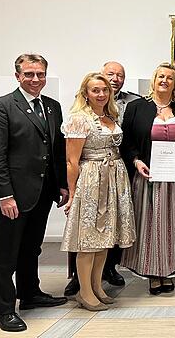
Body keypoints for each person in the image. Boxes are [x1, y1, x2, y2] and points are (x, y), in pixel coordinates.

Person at [0, 54, 68, 333]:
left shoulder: (52, 106)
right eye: (29, 74)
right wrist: (4, 196)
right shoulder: (2, 107)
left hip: (43, 192)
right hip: (14, 195)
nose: (35, 79)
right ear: (17, 76)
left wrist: (62, 184)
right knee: (5, 254)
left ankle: (30, 294)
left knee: (31, 248)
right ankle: (3, 310)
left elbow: (56, 149)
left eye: (40, 74)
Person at [60, 72, 136, 311]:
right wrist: (72, 195)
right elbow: (72, 161)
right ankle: (84, 292)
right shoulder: (79, 119)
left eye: (105, 90)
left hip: (113, 178)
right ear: (86, 93)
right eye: (95, 90)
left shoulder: (110, 115)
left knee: (104, 239)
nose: (101, 94)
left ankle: (96, 286)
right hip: (91, 180)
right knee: (88, 240)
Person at [120, 62, 175, 295]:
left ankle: (169, 269)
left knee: (172, 221)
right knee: (150, 223)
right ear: (154, 80)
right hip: (148, 175)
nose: (165, 81)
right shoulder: (137, 107)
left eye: (169, 78)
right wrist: (136, 161)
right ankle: (152, 272)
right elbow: (127, 141)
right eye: (161, 77)